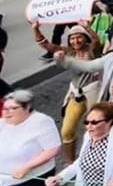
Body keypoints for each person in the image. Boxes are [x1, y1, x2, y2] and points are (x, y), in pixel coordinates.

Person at [30, 23, 100, 163]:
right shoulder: (69, 52)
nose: (76, 41)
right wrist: (35, 29)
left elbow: (96, 40)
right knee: (67, 131)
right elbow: (46, 45)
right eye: (72, 38)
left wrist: (86, 27)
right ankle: (71, 163)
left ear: (85, 38)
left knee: (96, 128)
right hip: (76, 94)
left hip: (94, 94)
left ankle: (95, 158)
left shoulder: (92, 50)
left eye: (79, 37)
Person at [0, 90, 61, 186]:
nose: (7, 113)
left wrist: (26, 167)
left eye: (13, 109)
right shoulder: (3, 123)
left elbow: (53, 148)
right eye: (5, 109)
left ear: (27, 108)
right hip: (9, 181)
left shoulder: (41, 121)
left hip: (34, 178)